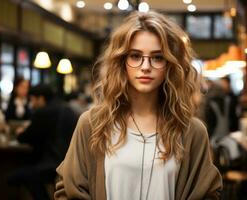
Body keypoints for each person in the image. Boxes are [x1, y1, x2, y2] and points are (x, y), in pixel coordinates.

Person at [55, 11, 222, 200]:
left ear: (169, 65)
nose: (145, 66)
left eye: (157, 57)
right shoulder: (93, 124)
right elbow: (67, 191)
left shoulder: (192, 131)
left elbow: (208, 194)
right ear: (122, 61)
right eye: (135, 56)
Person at [8, 84, 79, 200]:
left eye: (32, 100)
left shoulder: (44, 112)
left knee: (15, 177)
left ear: (41, 98)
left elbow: (25, 137)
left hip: (54, 164)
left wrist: (20, 132)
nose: (32, 104)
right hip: (70, 163)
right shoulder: (66, 108)